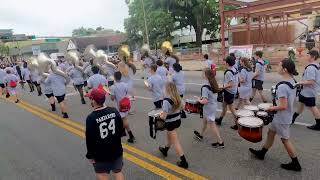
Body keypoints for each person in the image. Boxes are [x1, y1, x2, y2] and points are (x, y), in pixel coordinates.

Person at [249, 58, 302, 172]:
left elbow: (283, 106)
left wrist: (270, 108)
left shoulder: (282, 86)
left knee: (285, 140)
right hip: (281, 116)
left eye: (279, 65)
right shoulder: (293, 80)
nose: (277, 67)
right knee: (270, 133)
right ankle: (262, 153)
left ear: (284, 69)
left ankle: (295, 163)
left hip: (281, 117)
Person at [85, 86, 124, 180]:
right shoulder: (114, 111)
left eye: (91, 98)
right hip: (116, 149)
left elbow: (89, 139)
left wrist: (90, 155)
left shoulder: (91, 118)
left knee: (102, 174)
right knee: (118, 171)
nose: (90, 100)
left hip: (100, 153)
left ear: (94, 101)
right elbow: (120, 129)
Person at [158, 82, 189, 169]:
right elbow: (183, 107)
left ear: (167, 89)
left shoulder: (166, 101)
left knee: (175, 142)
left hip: (170, 122)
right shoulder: (178, 97)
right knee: (170, 136)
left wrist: (160, 115)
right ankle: (165, 149)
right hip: (177, 120)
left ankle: (184, 162)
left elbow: (163, 117)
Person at [194, 68, 224, 148]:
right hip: (212, 106)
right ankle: (201, 135)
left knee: (212, 125)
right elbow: (210, 96)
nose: (202, 74)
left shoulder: (205, 87)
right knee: (204, 121)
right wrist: (202, 98)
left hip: (208, 107)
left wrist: (198, 100)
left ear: (206, 75)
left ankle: (220, 142)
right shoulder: (213, 82)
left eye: (203, 73)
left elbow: (205, 101)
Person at [292, 50, 320, 130]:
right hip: (306, 91)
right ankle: (292, 119)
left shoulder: (311, 67)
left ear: (313, 57)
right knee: (300, 105)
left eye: (308, 55)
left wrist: (299, 83)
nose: (306, 57)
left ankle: (319, 124)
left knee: (312, 107)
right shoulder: (316, 65)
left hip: (309, 92)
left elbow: (311, 81)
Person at [110, 71, 135, 143]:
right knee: (123, 118)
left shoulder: (113, 87)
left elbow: (112, 98)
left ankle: (131, 135)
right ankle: (123, 132)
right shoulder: (125, 85)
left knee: (123, 119)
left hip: (119, 106)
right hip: (126, 104)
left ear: (114, 77)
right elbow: (128, 93)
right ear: (121, 77)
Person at [215, 56, 238, 129]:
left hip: (229, 92)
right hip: (232, 91)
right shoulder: (234, 69)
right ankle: (220, 119)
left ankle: (237, 124)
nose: (224, 62)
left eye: (225, 61)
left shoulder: (229, 72)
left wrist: (221, 87)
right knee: (224, 106)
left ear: (227, 63)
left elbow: (230, 84)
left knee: (231, 108)